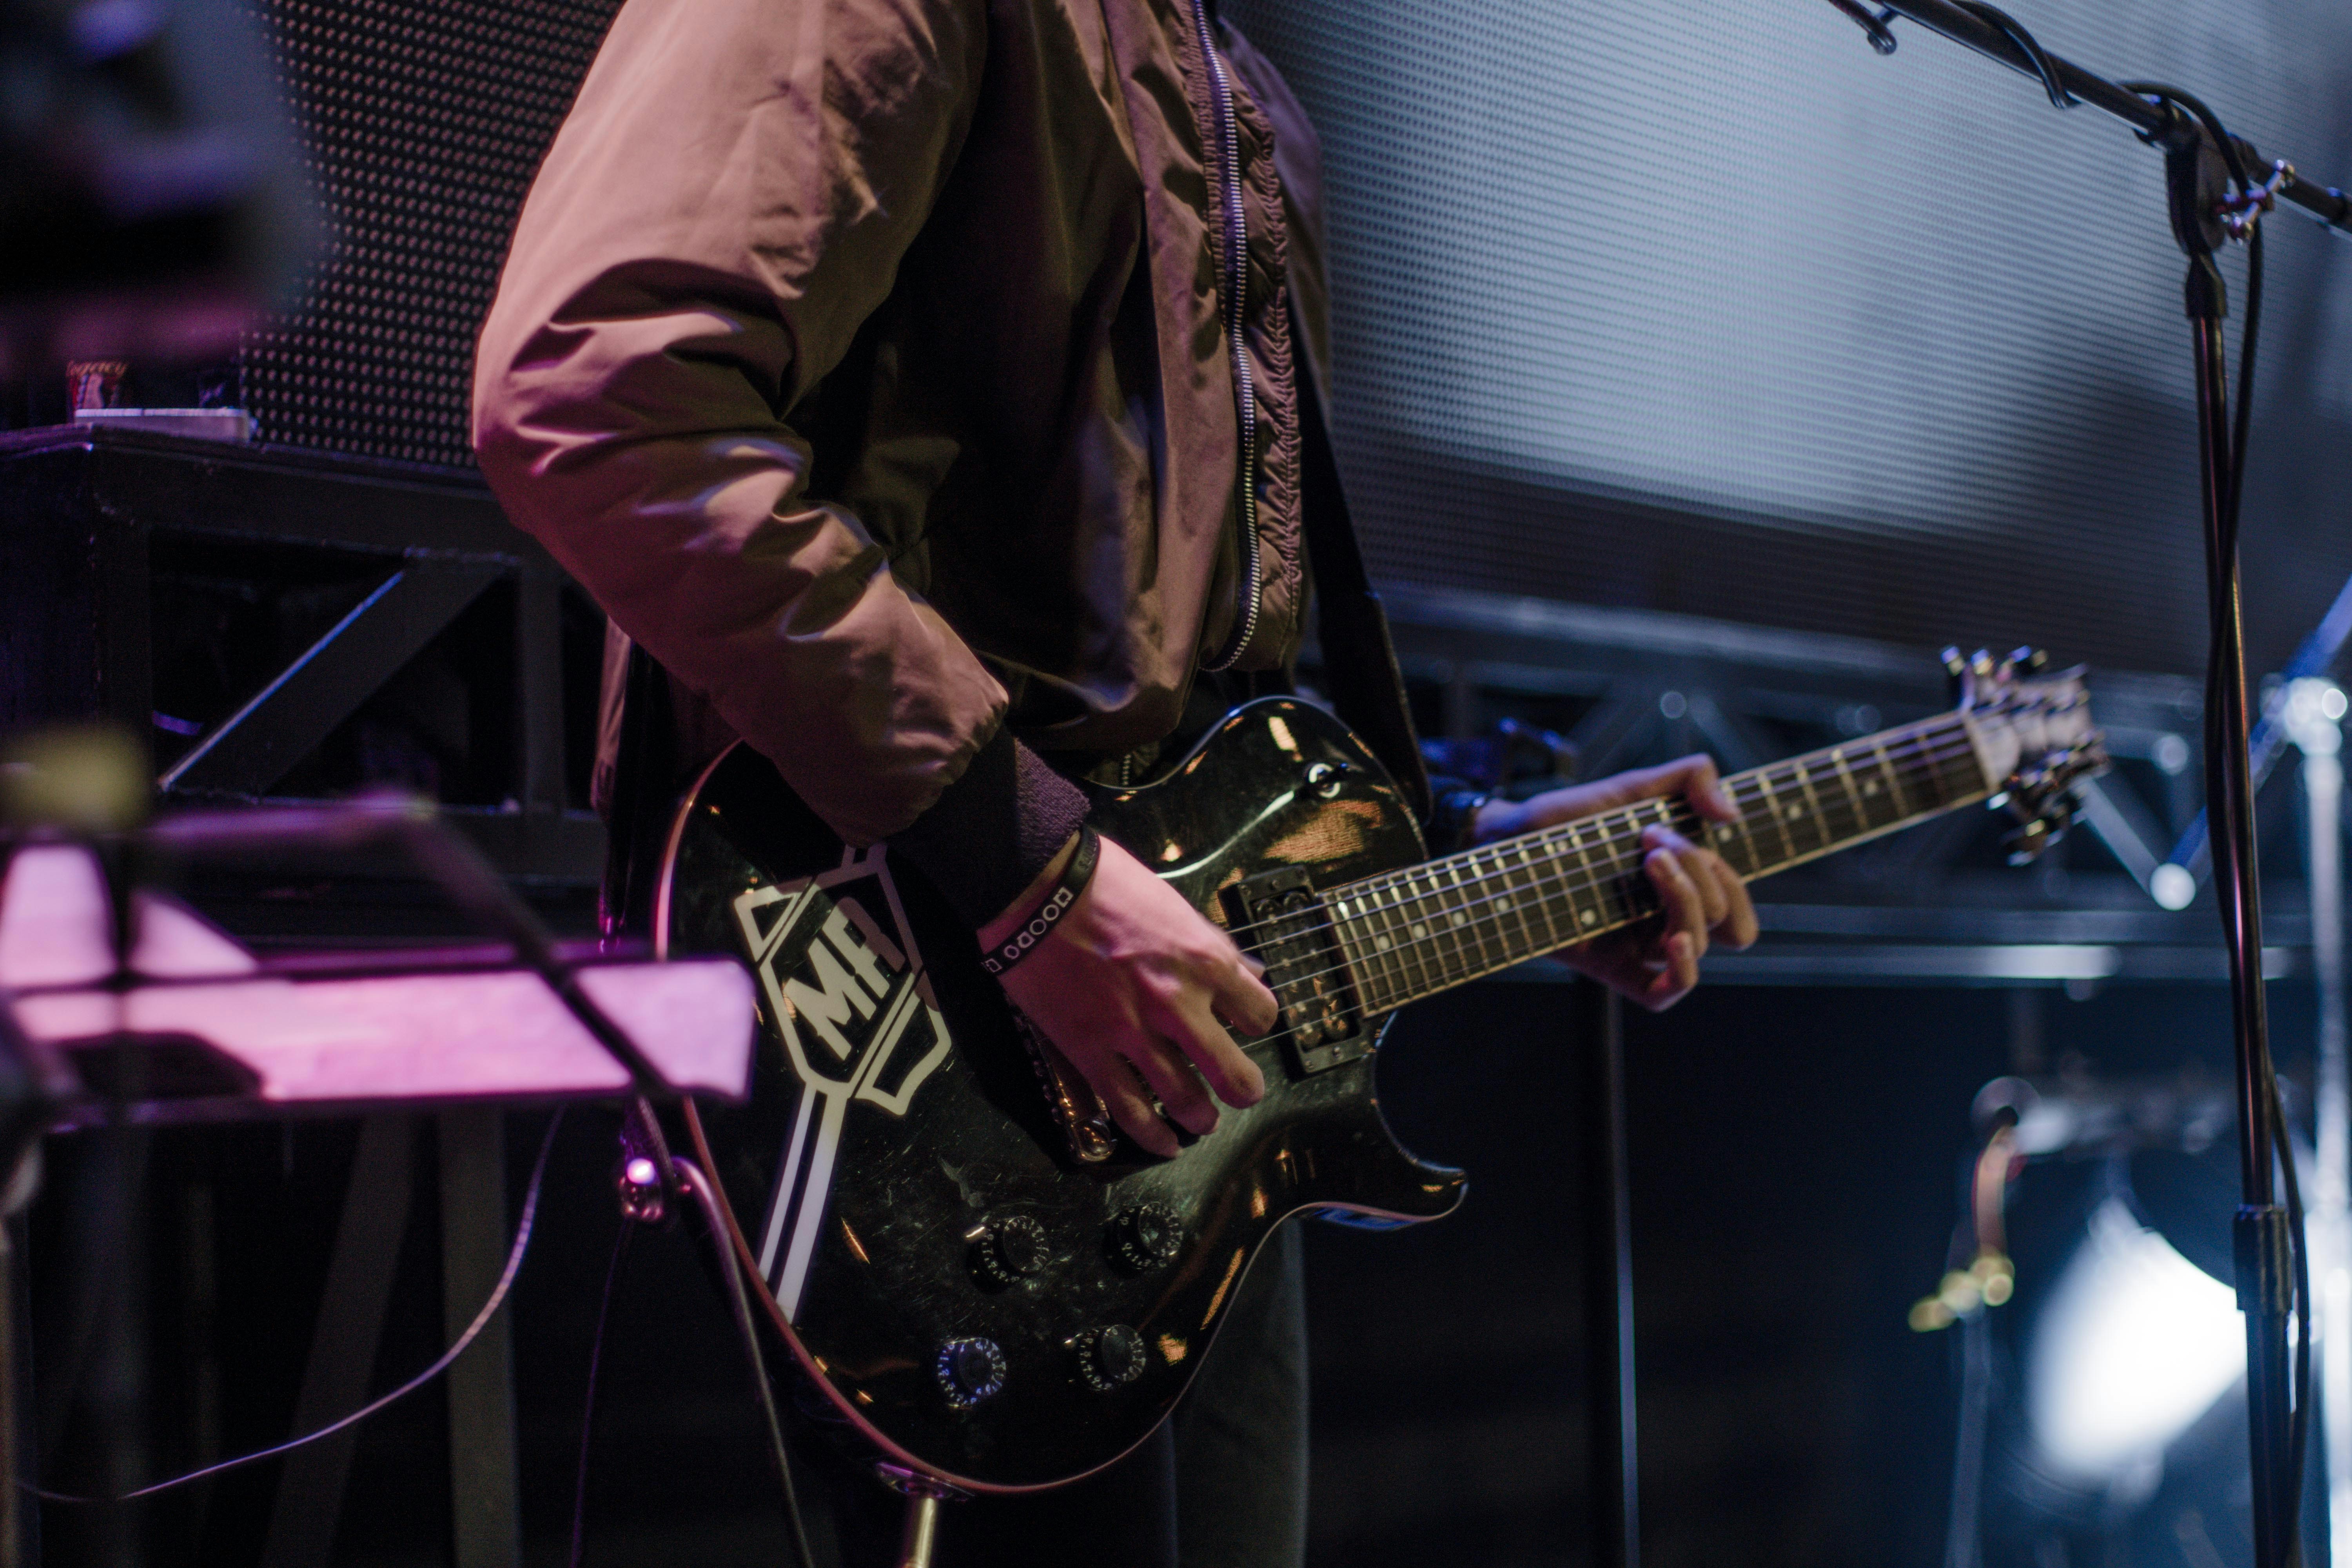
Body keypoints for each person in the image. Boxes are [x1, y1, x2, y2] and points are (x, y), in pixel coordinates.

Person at [472, 0, 1757, 1561]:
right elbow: (603, 392)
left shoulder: (1233, 80)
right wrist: (1031, 877)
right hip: (901, 1084)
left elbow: (1196, 702)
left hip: (1167, 1154)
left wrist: (1462, 849)